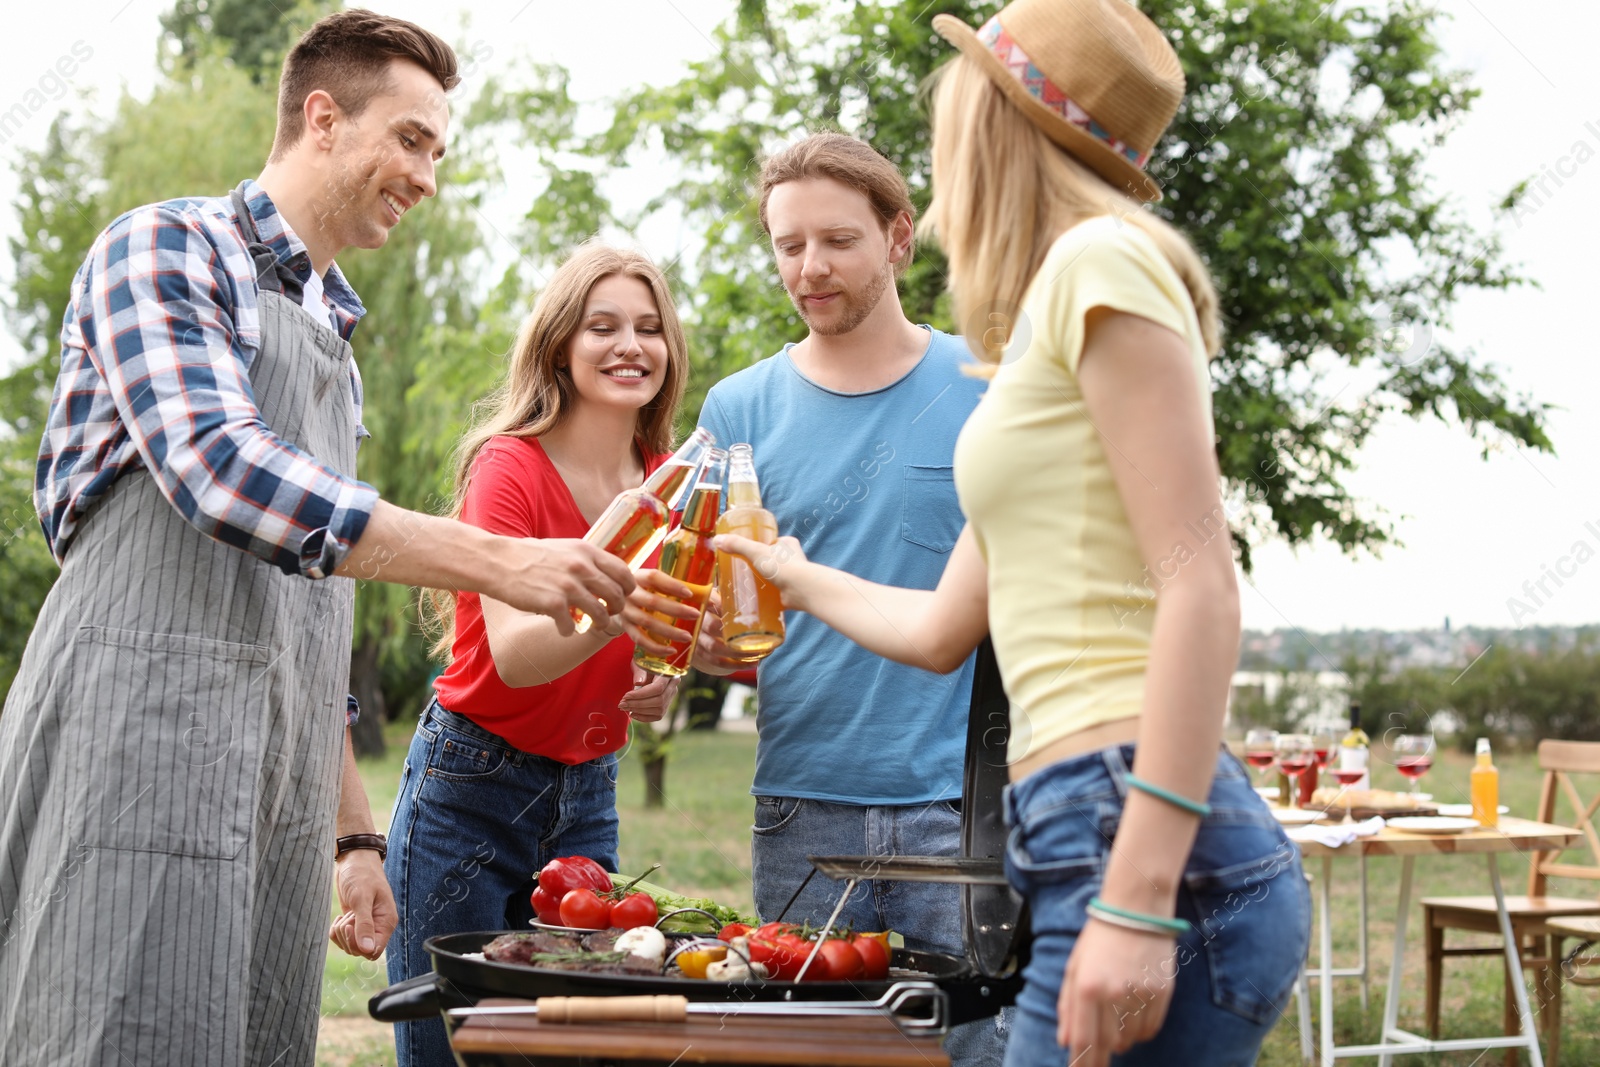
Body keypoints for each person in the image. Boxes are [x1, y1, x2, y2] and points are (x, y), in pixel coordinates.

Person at [0, 12, 634, 1067]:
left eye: (438, 149)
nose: (427, 175)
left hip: (274, 771)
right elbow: (223, 473)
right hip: (136, 731)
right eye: (412, 138)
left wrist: (352, 832)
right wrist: (504, 558)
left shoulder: (334, 338)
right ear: (325, 119)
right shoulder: (164, 247)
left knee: (248, 1032)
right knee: (108, 1021)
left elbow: (312, 601)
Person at [717, 2, 1312, 1065]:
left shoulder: (1101, 261)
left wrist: (1132, 902)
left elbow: (1202, 587)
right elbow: (944, 625)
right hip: (1074, 821)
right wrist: (792, 577)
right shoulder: (1038, 324)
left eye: (960, 89)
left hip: (1130, 822)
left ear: (994, 117)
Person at [695, 132, 1006, 1064]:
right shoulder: (737, 409)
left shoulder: (985, 389)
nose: (810, 267)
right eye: (789, 245)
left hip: (956, 807)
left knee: (964, 1054)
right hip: (798, 805)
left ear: (899, 237)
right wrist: (711, 644)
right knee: (807, 1055)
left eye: (837, 240)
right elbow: (720, 615)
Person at [386, 244, 697, 1067]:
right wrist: (619, 603)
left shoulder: (668, 479)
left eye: (648, 327)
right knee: (450, 1048)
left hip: (589, 793)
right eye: (603, 326)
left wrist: (663, 669)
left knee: (576, 1045)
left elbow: (663, 625)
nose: (630, 344)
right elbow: (519, 656)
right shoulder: (509, 467)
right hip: (471, 789)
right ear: (561, 343)